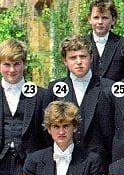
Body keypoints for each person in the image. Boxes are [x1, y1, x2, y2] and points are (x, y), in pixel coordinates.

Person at [0, 39, 52, 175]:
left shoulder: (41, 95)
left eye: (16, 64)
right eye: (6, 65)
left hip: (29, 165)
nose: (12, 70)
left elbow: (48, 136)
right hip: (2, 165)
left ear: (24, 63)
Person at [48, 34, 114, 162]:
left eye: (83, 56)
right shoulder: (54, 88)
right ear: (64, 60)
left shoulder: (108, 87)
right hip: (64, 162)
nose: (79, 62)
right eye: (73, 57)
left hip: (100, 162)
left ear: (91, 58)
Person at [86, 0, 124, 82]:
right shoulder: (80, 44)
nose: (100, 22)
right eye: (96, 17)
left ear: (113, 20)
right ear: (89, 19)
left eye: (104, 18)